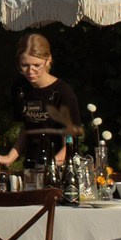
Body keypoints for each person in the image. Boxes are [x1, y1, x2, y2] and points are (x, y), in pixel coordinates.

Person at [10, 33, 84, 162]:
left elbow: (70, 139)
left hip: (61, 163)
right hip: (32, 163)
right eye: (25, 65)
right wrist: (10, 157)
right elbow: (27, 129)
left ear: (48, 60)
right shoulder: (19, 87)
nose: (30, 71)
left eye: (36, 65)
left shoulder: (62, 92)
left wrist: (52, 165)